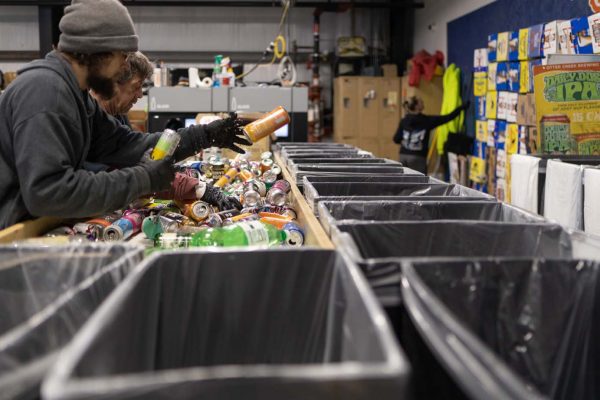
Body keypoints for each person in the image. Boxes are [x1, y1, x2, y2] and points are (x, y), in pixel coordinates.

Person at [0, 0, 249, 229]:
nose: (123, 67)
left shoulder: (77, 97)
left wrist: (203, 136)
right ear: (100, 50)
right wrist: (143, 178)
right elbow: (48, 192)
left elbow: (126, 145)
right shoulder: (46, 91)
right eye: (123, 56)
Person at [393, 96, 470, 174]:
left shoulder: (404, 121)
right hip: (418, 157)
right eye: (421, 102)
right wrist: (461, 108)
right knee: (420, 183)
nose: (423, 103)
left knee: (404, 181)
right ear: (416, 106)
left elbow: (396, 139)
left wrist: (408, 142)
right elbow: (447, 118)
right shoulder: (426, 121)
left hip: (403, 155)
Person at [91, 51, 153, 127]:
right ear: (114, 80)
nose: (140, 95)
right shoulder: (88, 120)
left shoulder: (119, 116)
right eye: (136, 87)